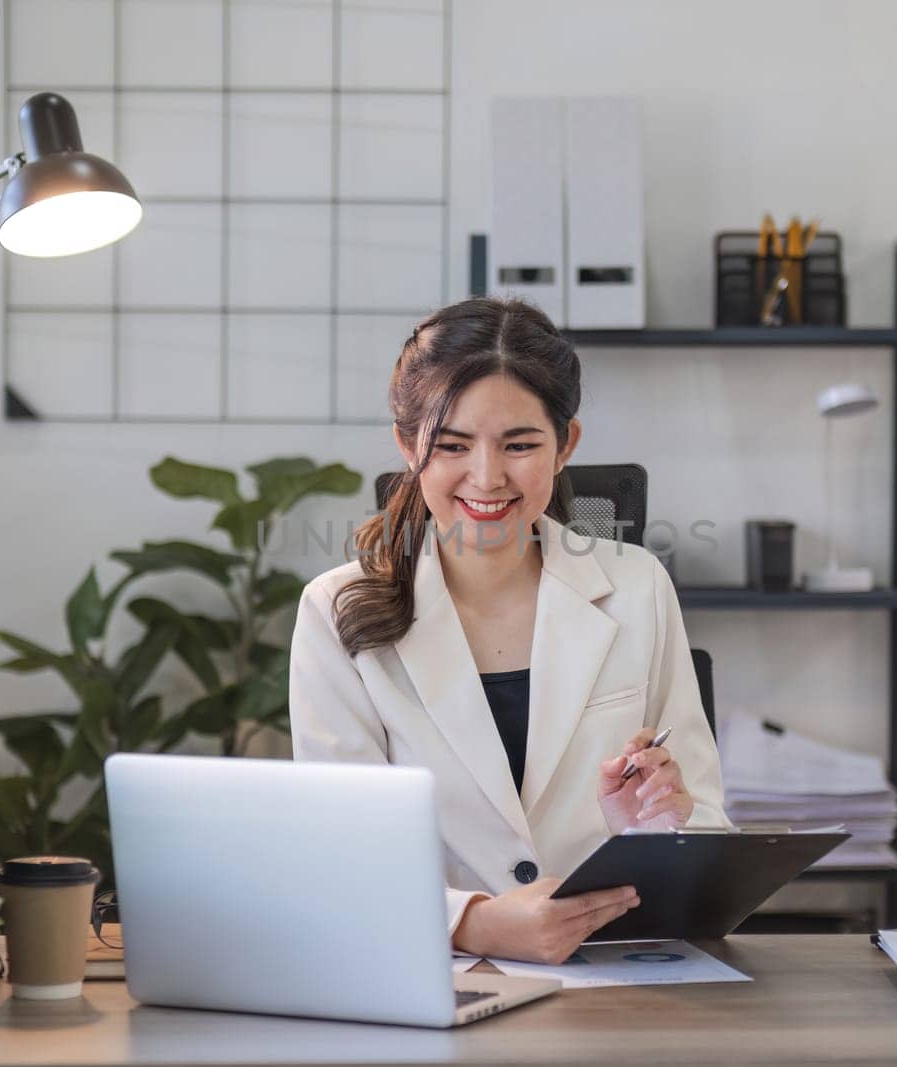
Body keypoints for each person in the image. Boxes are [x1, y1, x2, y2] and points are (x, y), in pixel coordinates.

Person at [289, 296, 728, 964]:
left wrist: (659, 828)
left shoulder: (637, 589)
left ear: (565, 445)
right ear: (409, 447)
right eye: (452, 445)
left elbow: (707, 832)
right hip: (433, 975)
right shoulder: (335, 609)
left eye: (520, 444)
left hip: (615, 980)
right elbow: (334, 856)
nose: (488, 477)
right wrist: (477, 924)